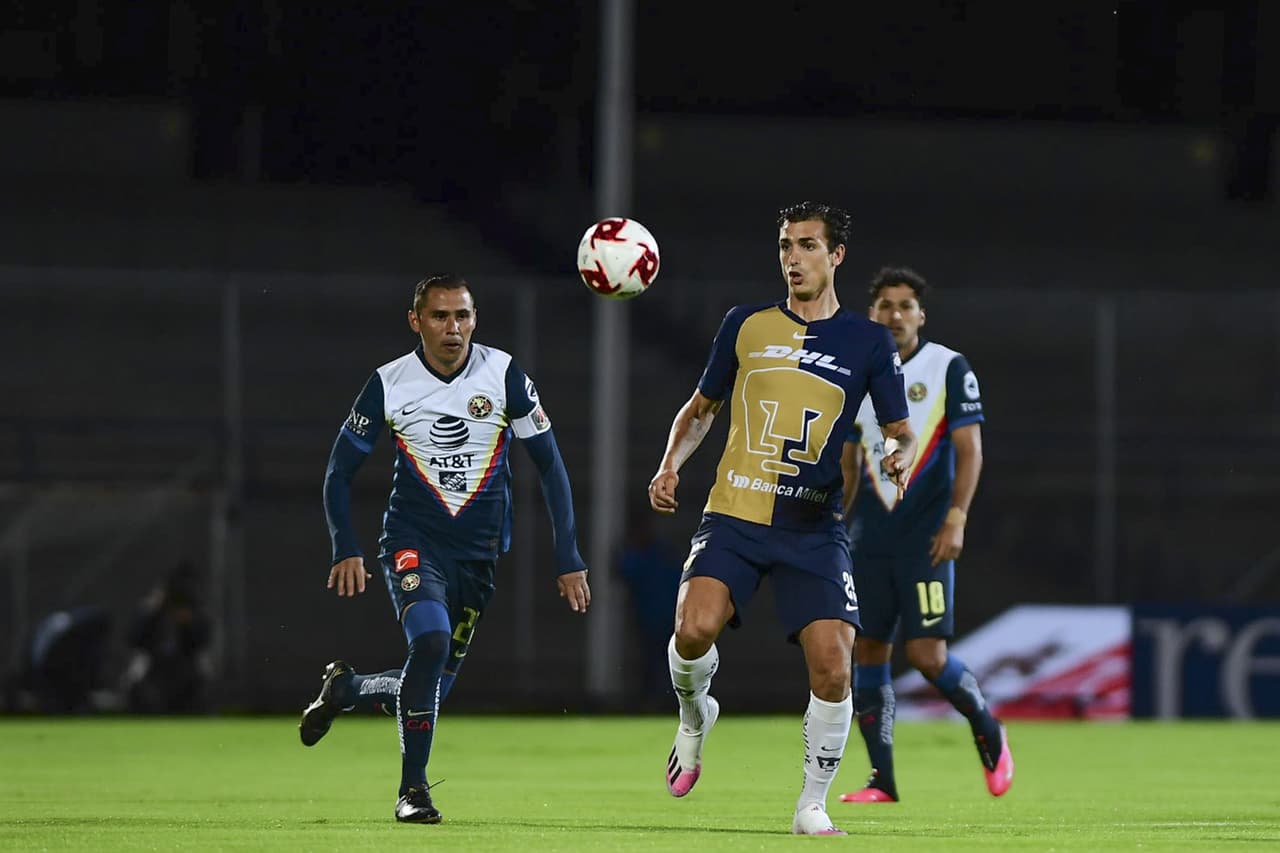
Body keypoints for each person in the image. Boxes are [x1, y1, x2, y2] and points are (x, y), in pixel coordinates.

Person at [647, 202, 917, 836]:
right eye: (785, 247)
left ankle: (810, 805)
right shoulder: (744, 325)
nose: (793, 258)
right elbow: (701, 409)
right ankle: (694, 717)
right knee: (692, 630)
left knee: (833, 665)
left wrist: (898, 458)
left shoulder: (868, 341)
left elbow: (899, 432)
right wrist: (669, 467)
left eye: (806, 246)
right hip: (735, 510)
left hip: (813, 527)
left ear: (836, 256)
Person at [301, 274, 591, 824]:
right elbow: (339, 470)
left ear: (475, 319)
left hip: (479, 555)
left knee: (429, 687)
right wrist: (346, 545)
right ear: (416, 321)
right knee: (430, 643)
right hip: (413, 541)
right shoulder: (390, 383)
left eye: (462, 316)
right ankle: (413, 792)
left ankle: (347, 688)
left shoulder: (504, 375)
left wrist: (568, 554)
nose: (453, 328)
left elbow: (551, 467)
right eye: (440, 316)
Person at [838, 266, 1013, 805]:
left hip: (926, 537)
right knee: (866, 649)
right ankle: (882, 781)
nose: (894, 314)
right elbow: (849, 462)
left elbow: (970, 450)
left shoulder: (947, 367)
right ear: (871, 313)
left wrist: (956, 517)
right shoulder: (855, 373)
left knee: (928, 655)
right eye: (884, 304)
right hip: (869, 538)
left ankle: (988, 729)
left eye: (904, 306)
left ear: (921, 316)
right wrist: (835, 529)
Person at [618, 506, 683, 708]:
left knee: (671, 662)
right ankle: (654, 700)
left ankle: (671, 701)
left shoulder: (663, 552)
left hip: (670, 617)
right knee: (652, 662)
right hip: (649, 618)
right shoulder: (640, 555)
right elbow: (624, 573)